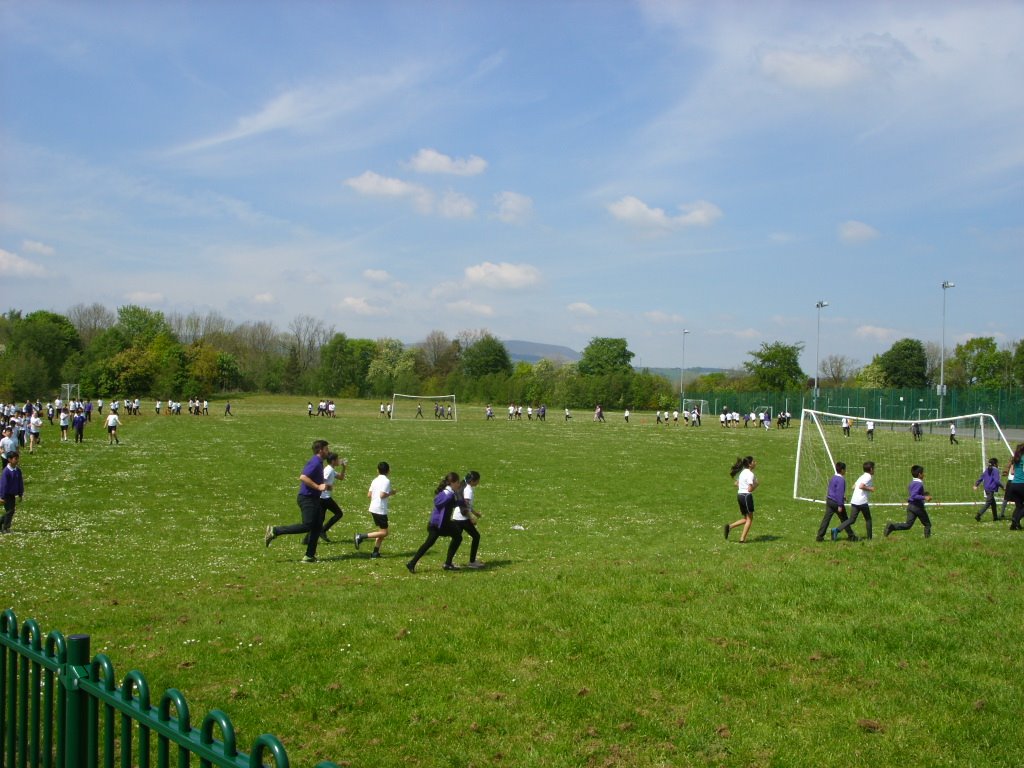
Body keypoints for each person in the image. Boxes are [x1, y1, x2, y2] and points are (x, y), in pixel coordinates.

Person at [264, 439, 330, 563]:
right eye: (326, 449)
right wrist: (317, 487)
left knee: (316, 527)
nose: (328, 451)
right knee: (308, 525)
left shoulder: (319, 462)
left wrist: (324, 485)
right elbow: (303, 477)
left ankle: (309, 556)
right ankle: (275, 531)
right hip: (307, 498)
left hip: (314, 498)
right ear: (320, 450)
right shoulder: (315, 462)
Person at [406, 472, 465, 573]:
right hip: (440, 524)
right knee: (457, 537)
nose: (459, 484)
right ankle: (448, 563)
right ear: (452, 483)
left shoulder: (447, 492)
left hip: (436, 523)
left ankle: (412, 563)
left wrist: (460, 502)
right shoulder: (448, 494)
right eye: (457, 482)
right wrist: (457, 499)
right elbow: (439, 502)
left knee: (429, 543)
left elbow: (449, 504)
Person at [354, 461, 394, 558]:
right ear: (388, 471)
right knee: (384, 532)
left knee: (380, 532)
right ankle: (360, 536)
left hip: (373, 507)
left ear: (377, 470)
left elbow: (369, 495)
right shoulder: (386, 481)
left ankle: (375, 553)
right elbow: (382, 495)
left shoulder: (375, 480)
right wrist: (391, 493)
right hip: (380, 509)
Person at [885, 465, 932, 538]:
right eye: (923, 473)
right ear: (919, 474)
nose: (924, 474)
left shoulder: (912, 483)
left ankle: (892, 526)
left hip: (911, 506)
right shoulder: (919, 484)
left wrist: (923, 494)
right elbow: (914, 495)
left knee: (908, 525)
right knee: (927, 524)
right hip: (918, 507)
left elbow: (914, 493)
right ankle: (928, 541)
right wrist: (924, 497)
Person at [834, 461, 876, 540]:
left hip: (854, 500)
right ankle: (870, 538)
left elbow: (853, 486)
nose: (874, 470)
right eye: (874, 468)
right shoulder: (868, 477)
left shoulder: (862, 476)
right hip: (862, 501)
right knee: (868, 519)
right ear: (871, 469)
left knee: (852, 520)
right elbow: (861, 486)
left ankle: (836, 530)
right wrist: (870, 488)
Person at [819, 462, 856, 541]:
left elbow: (833, 489)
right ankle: (851, 536)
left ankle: (819, 536)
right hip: (836, 503)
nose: (845, 471)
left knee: (826, 519)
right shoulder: (841, 480)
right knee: (844, 519)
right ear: (842, 470)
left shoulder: (833, 477)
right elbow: (839, 492)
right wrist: (840, 505)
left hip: (829, 500)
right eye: (845, 469)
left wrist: (843, 497)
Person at [724, 456, 757, 543]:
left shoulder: (742, 472)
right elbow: (750, 489)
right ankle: (742, 539)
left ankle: (730, 527)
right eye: (753, 461)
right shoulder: (750, 474)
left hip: (740, 495)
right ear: (750, 464)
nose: (755, 463)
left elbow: (736, 483)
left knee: (746, 518)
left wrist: (742, 487)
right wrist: (755, 485)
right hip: (746, 496)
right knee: (750, 519)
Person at [455, 470, 485, 568]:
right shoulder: (468, 489)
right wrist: (471, 517)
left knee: (456, 539)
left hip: (456, 516)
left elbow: (466, 505)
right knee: (476, 536)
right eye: (477, 481)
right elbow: (466, 504)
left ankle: (448, 562)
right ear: (472, 481)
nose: (478, 482)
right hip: (463, 517)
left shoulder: (464, 486)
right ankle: (472, 562)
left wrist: (475, 513)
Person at [318, 453, 348, 541]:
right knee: (339, 514)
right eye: (337, 459)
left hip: (323, 497)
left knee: (320, 519)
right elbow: (321, 480)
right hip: (324, 497)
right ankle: (323, 530)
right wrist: (328, 487)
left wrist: (343, 467)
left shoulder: (331, 469)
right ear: (333, 461)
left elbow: (341, 477)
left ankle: (307, 539)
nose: (339, 461)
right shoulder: (328, 470)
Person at [0, 451, 24, 533]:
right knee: (10, 511)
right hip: (6, 494)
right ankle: (5, 528)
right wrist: (2, 497)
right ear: (9, 460)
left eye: (18, 459)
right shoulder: (6, 471)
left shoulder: (18, 470)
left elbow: (20, 482)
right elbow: (3, 485)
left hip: (12, 494)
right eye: (15, 459)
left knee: (11, 511)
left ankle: (2, 525)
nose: (17, 460)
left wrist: (20, 493)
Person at [974, 458, 1004, 522]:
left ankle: (995, 517)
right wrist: (1003, 486)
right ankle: (978, 514)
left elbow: (981, 477)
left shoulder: (987, 469)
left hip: (986, 488)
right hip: (991, 489)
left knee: (993, 503)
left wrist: (976, 485)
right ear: (995, 464)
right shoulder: (995, 470)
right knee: (988, 503)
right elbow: (996, 481)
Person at [1007, 444, 1024, 530]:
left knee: (1019, 506)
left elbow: (1012, 472)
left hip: (1013, 484)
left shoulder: (1016, 458)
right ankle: (1016, 520)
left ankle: (1013, 525)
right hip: (1022, 484)